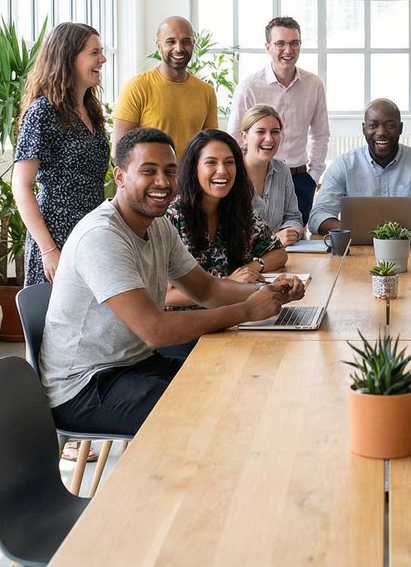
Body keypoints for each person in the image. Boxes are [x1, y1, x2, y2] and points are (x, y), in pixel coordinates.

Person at [40, 127, 306, 436]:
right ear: (120, 176)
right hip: (86, 386)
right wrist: (247, 310)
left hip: (136, 364)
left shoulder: (159, 226)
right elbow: (155, 330)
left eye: (170, 171)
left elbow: (206, 289)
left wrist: (266, 292)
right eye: (148, 171)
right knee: (210, 414)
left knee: (241, 383)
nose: (163, 182)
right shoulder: (102, 236)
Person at [14, 22, 111, 287]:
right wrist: (48, 250)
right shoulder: (42, 113)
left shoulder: (92, 111)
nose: (102, 59)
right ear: (69, 57)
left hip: (90, 234)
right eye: (94, 52)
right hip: (56, 237)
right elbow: (21, 186)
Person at [164, 129, 287, 308]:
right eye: (211, 163)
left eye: (229, 162)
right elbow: (164, 296)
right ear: (194, 168)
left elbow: (278, 253)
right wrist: (227, 284)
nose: (222, 171)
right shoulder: (173, 217)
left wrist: (254, 266)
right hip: (192, 327)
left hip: (234, 316)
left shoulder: (239, 209)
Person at [227, 16, 329, 223]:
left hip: (300, 179)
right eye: (280, 43)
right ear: (268, 47)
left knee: (294, 238)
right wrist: (244, 175)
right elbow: (235, 137)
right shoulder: (249, 86)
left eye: (294, 43)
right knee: (255, 239)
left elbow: (320, 134)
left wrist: (313, 176)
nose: (288, 50)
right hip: (258, 178)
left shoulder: (314, 84)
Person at [310, 98, 411, 236]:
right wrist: (352, 229)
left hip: (408, 247)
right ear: (364, 129)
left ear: (400, 128)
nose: (382, 132)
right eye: (373, 125)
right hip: (355, 249)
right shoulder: (344, 165)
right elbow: (318, 217)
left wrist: (410, 229)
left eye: (390, 125)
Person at [114, 16, 218, 156]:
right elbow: (119, 150)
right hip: (151, 177)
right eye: (171, 42)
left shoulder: (206, 91)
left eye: (185, 41)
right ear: (159, 46)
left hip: (190, 177)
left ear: (193, 44)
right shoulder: (136, 87)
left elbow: (211, 146)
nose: (179, 48)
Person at [240, 104, 305, 247]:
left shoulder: (282, 170)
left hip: (279, 258)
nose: (269, 139)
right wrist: (273, 240)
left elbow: (293, 216)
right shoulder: (231, 173)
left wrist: (290, 230)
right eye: (260, 132)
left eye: (275, 132)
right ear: (244, 137)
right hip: (241, 264)